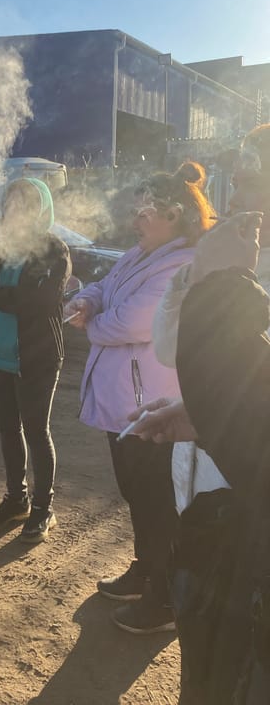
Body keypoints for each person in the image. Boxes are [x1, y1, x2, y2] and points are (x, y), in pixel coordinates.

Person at [122, 124, 270, 702]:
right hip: (222, 497)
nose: (238, 197)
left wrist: (224, 281)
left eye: (255, 179)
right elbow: (171, 347)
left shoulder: (240, 265)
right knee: (211, 653)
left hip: (251, 511)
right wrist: (203, 412)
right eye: (238, 178)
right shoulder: (230, 255)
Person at [65, 163, 216, 633]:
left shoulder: (183, 262)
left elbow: (134, 323)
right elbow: (102, 287)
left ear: (175, 214)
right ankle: (146, 570)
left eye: (146, 211)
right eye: (136, 210)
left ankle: (164, 600)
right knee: (137, 493)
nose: (136, 219)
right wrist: (88, 301)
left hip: (153, 405)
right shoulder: (139, 254)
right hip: (124, 402)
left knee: (156, 501)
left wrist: (91, 322)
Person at [0, 178, 71, 543]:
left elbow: (35, 304)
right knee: (9, 430)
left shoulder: (54, 251)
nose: (15, 210)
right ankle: (16, 499)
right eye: (10, 203)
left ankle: (43, 508)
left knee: (37, 432)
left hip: (36, 358)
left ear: (41, 209)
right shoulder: (2, 245)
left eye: (25, 204)